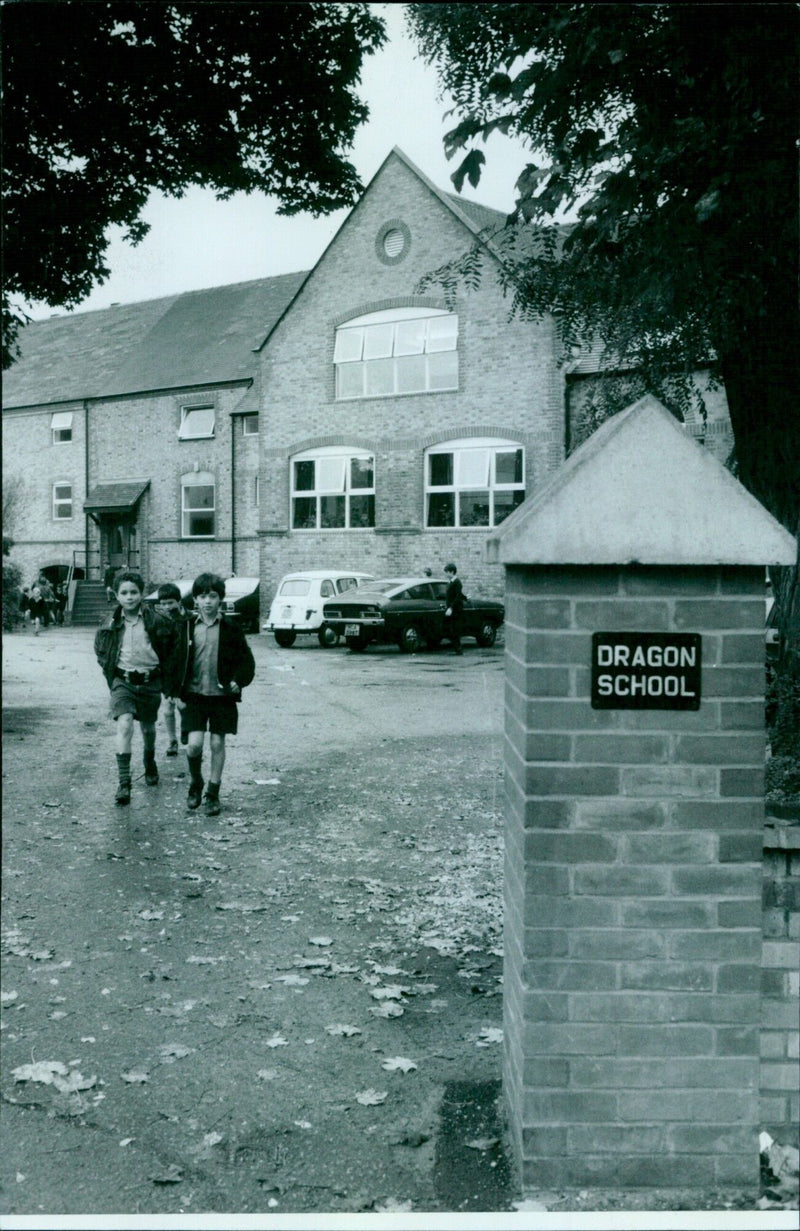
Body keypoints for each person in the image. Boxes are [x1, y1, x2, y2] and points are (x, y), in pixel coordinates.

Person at [94, 570, 181, 805]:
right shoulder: (109, 623)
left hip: (150, 682)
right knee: (124, 725)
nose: (129, 597)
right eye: (124, 593)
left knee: (148, 729)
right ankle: (124, 783)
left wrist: (168, 681)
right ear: (116, 595)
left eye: (134, 592)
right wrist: (112, 677)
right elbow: (101, 650)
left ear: (141, 594)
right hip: (123, 682)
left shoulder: (158, 620)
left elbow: (173, 649)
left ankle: (149, 760)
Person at [176, 572, 255, 817]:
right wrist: (175, 693)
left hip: (221, 697)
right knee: (194, 746)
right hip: (194, 696)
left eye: (212, 596)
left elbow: (246, 661)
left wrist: (237, 681)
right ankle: (196, 781)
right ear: (195, 600)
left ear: (220, 599)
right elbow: (174, 662)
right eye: (202, 596)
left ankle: (213, 792)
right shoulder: (187, 627)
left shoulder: (231, 628)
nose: (208, 601)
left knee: (217, 742)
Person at [155, 582, 189, 757]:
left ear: (179, 601)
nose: (167, 607)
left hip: (185, 670)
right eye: (163, 603)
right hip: (167, 671)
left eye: (170, 603)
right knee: (168, 708)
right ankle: (172, 741)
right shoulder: (160, 621)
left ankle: (185, 727)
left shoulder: (188, 619)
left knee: (183, 705)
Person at [444, 561, 465, 656]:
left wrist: (451, 608)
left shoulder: (457, 582)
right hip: (451, 609)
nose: (446, 574)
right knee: (452, 629)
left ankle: (458, 649)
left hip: (456, 610)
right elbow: (459, 595)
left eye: (447, 572)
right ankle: (456, 648)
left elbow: (457, 596)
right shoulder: (451, 582)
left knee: (455, 629)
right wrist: (466, 597)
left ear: (452, 572)